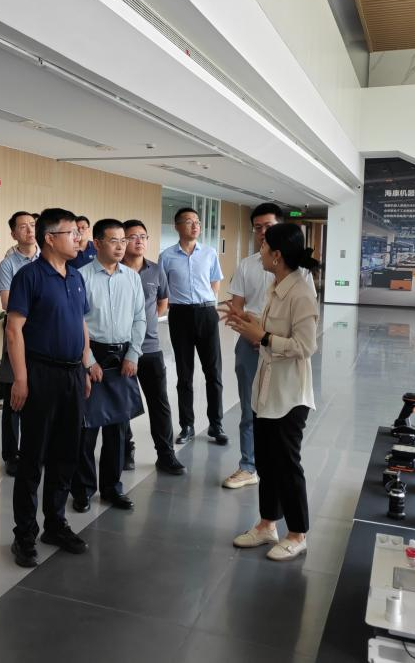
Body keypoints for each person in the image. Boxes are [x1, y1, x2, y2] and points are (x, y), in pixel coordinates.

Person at [227, 223, 319, 562]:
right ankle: (267, 524)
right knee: (266, 461)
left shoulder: (301, 293)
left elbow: (305, 346)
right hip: (266, 390)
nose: (260, 252)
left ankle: (298, 534)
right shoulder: (276, 286)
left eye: (265, 248)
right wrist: (249, 323)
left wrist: (263, 337)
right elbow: (270, 332)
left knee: (287, 465)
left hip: (289, 395)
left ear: (277, 255)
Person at [7, 207, 91, 568]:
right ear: (50, 239)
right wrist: (21, 379)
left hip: (73, 375)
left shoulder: (76, 276)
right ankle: (24, 534)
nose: (78, 238)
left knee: (66, 452)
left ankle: (55, 523)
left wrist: (85, 365)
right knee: (33, 457)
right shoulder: (29, 276)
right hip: (41, 373)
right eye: (72, 233)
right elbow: (14, 329)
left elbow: (81, 324)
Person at [222, 203, 316, 490]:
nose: (262, 233)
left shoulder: (300, 276)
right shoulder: (248, 265)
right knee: (250, 407)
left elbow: (304, 332)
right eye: (258, 228)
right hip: (250, 343)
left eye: (269, 227)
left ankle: (276, 465)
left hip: (279, 349)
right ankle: (249, 465)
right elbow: (239, 307)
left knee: (281, 413)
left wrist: (262, 336)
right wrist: (250, 330)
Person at [71, 219, 145, 513]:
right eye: (114, 241)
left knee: (118, 428)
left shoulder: (132, 278)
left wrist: (133, 354)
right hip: (93, 354)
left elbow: (140, 317)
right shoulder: (81, 277)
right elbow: (76, 323)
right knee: (86, 430)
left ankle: (113, 488)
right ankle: (83, 490)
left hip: (122, 356)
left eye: (123, 241)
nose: (121, 246)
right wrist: (89, 361)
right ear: (97, 243)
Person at [158, 207, 228, 446]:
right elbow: (163, 288)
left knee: (213, 372)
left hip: (206, 313)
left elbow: (215, 283)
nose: (195, 225)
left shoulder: (209, 253)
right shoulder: (166, 256)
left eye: (197, 221)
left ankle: (216, 424)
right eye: (189, 221)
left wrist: (205, 302)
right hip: (180, 316)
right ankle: (187, 425)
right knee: (184, 374)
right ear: (177, 226)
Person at [122, 219, 186, 475]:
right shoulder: (114, 269)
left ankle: (166, 454)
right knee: (123, 405)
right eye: (132, 236)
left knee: (159, 404)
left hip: (150, 348)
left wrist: (146, 324)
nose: (139, 241)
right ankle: (125, 450)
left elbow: (162, 302)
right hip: (120, 350)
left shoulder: (156, 270)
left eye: (143, 236)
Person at [0, 211, 39, 477]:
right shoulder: (8, 264)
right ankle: (11, 454)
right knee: (14, 395)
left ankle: (35, 450)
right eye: (22, 227)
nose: (29, 230)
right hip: (18, 333)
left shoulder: (48, 258)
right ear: (13, 233)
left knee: (39, 396)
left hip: (43, 337)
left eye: (32, 225)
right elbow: (7, 302)